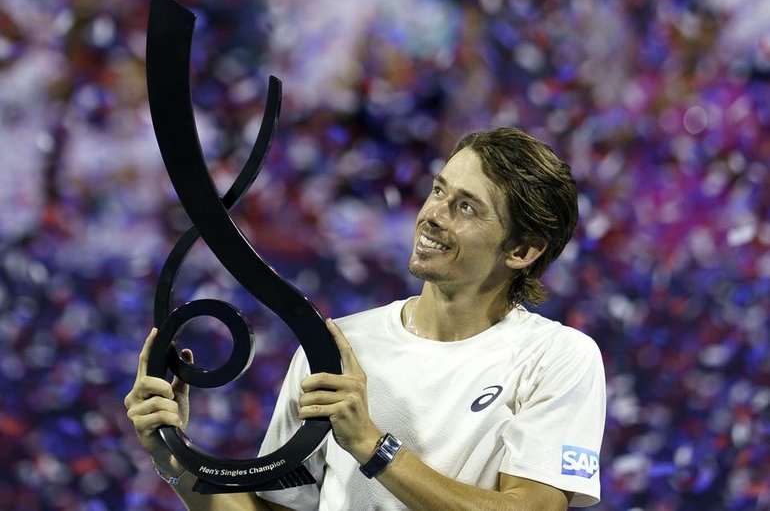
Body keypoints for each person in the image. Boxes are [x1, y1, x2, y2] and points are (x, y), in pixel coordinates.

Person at [125, 126, 606, 511]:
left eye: (466, 207)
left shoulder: (558, 358)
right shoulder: (338, 346)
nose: (433, 215)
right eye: (438, 190)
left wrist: (372, 445)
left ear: (522, 250)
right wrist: (173, 456)